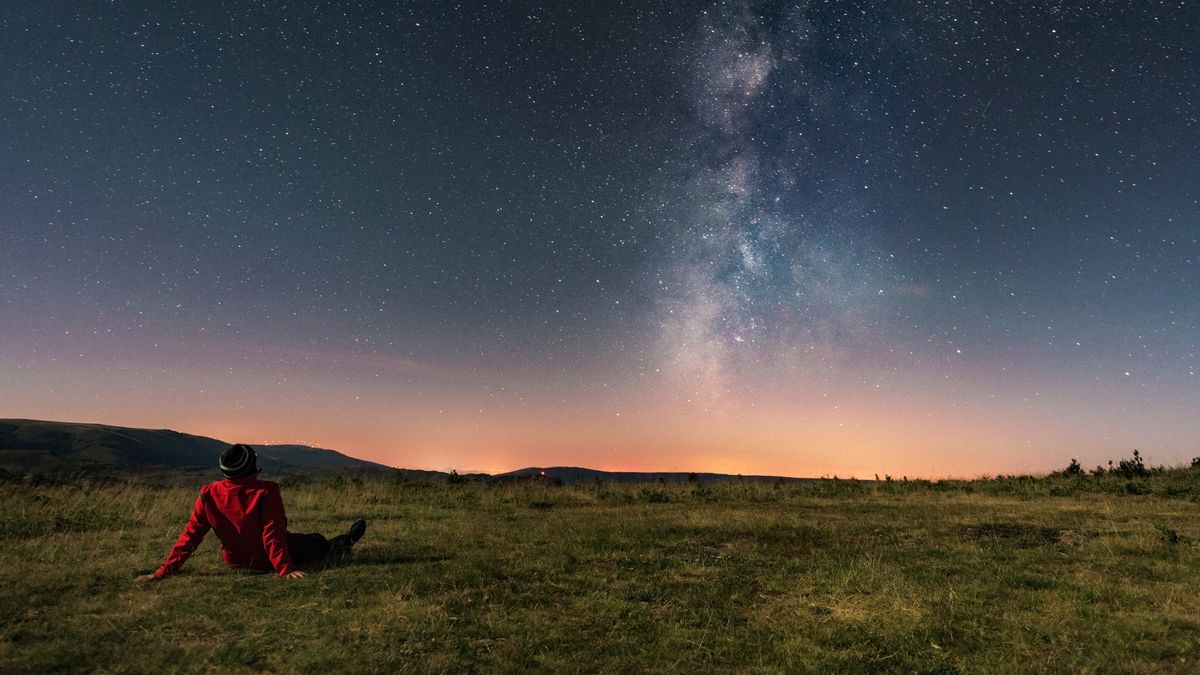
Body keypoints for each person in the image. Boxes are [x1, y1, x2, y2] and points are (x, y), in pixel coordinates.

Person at [135, 443, 367, 582]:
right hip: (267, 561)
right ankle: (349, 539)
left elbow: (191, 536)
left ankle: (345, 538)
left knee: (302, 539)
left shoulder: (208, 493)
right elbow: (272, 534)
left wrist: (163, 572)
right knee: (317, 541)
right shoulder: (266, 491)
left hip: (234, 563)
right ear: (251, 467)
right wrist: (285, 569)